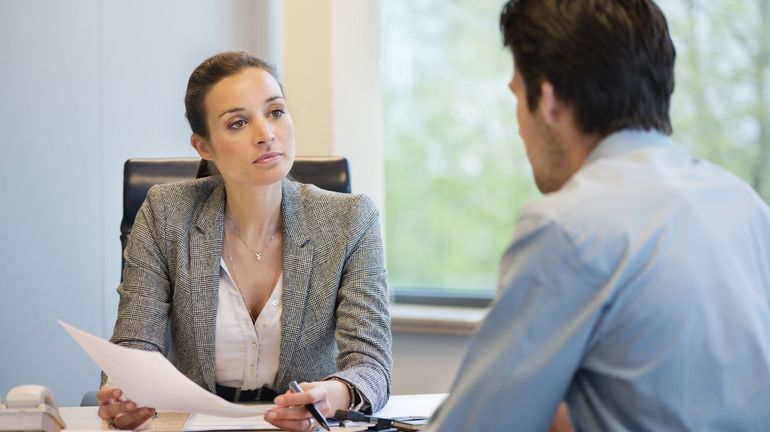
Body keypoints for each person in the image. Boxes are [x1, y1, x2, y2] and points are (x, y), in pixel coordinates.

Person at [426, 1, 770, 431]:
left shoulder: (568, 226)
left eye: (516, 95)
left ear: (548, 100)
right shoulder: (745, 206)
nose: (518, 126)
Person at [95, 51, 392, 431]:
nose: (266, 134)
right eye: (238, 122)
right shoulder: (166, 213)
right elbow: (135, 344)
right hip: (197, 425)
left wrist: (330, 398)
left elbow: (371, 364)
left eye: (275, 112)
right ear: (204, 147)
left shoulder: (351, 219)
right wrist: (124, 394)